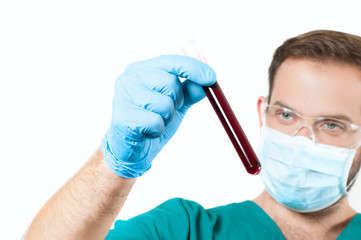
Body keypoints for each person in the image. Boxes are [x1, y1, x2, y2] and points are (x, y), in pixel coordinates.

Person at [25, 30, 361, 240]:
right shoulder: (182, 230)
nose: (301, 140)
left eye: (332, 125)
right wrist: (115, 164)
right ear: (263, 113)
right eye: (286, 115)